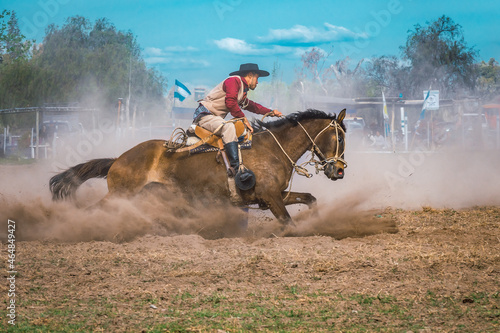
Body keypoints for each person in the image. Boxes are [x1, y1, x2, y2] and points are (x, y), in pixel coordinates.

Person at [193, 63, 282, 175]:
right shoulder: (234, 81)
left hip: (213, 117)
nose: (258, 82)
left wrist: (270, 112)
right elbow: (230, 103)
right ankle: (237, 169)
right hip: (205, 116)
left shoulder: (241, 89)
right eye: (257, 78)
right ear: (250, 75)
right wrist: (243, 119)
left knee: (243, 131)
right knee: (229, 127)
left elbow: (251, 105)